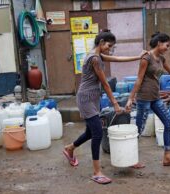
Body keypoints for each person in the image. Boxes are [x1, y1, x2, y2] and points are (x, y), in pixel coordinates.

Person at [63, 29, 147, 185]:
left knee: (90, 132)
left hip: (92, 98)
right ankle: (96, 172)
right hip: (86, 98)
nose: (110, 49)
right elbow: (105, 83)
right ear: (101, 43)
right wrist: (115, 103)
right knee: (97, 133)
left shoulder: (98, 55)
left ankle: (70, 148)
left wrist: (138, 57)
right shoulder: (94, 58)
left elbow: (117, 58)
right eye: (109, 45)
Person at [125, 32, 170, 168]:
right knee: (138, 129)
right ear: (159, 43)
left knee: (169, 123)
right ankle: (130, 158)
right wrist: (130, 98)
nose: (168, 48)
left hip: (155, 97)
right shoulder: (146, 58)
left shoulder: (161, 59)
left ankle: (167, 157)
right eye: (167, 45)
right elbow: (139, 79)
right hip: (144, 97)